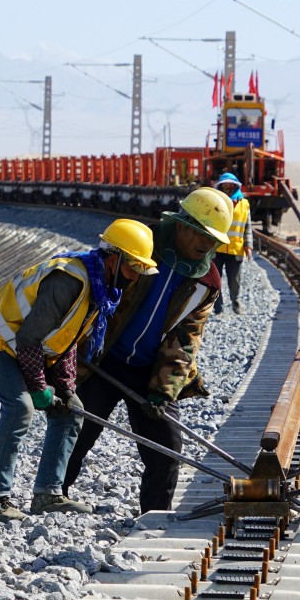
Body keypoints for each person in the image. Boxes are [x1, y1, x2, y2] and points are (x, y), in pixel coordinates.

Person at [0, 219, 159, 524]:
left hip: (24, 344)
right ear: (114, 257)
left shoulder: (100, 287)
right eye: (133, 267)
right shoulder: (69, 280)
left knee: (72, 410)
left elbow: (66, 341)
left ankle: (48, 494)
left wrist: (66, 389)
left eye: (139, 269)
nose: (135, 276)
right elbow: (30, 338)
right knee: (20, 407)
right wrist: (39, 387)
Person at [63, 187, 232, 512]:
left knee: (167, 450)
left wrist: (164, 391)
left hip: (150, 373)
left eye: (213, 240)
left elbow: (187, 339)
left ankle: (155, 518)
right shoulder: (143, 246)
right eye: (202, 235)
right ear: (183, 225)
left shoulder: (206, 282)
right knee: (76, 433)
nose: (207, 245)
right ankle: (52, 495)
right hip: (104, 361)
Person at [212, 172, 253, 315]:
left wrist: (248, 246)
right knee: (216, 281)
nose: (228, 187)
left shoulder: (244, 204)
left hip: (236, 249)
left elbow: (247, 227)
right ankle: (218, 307)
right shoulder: (215, 202)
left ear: (236, 186)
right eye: (225, 184)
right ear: (221, 186)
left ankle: (236, 303)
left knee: (234, 281)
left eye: (231, 184)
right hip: (217, 249)